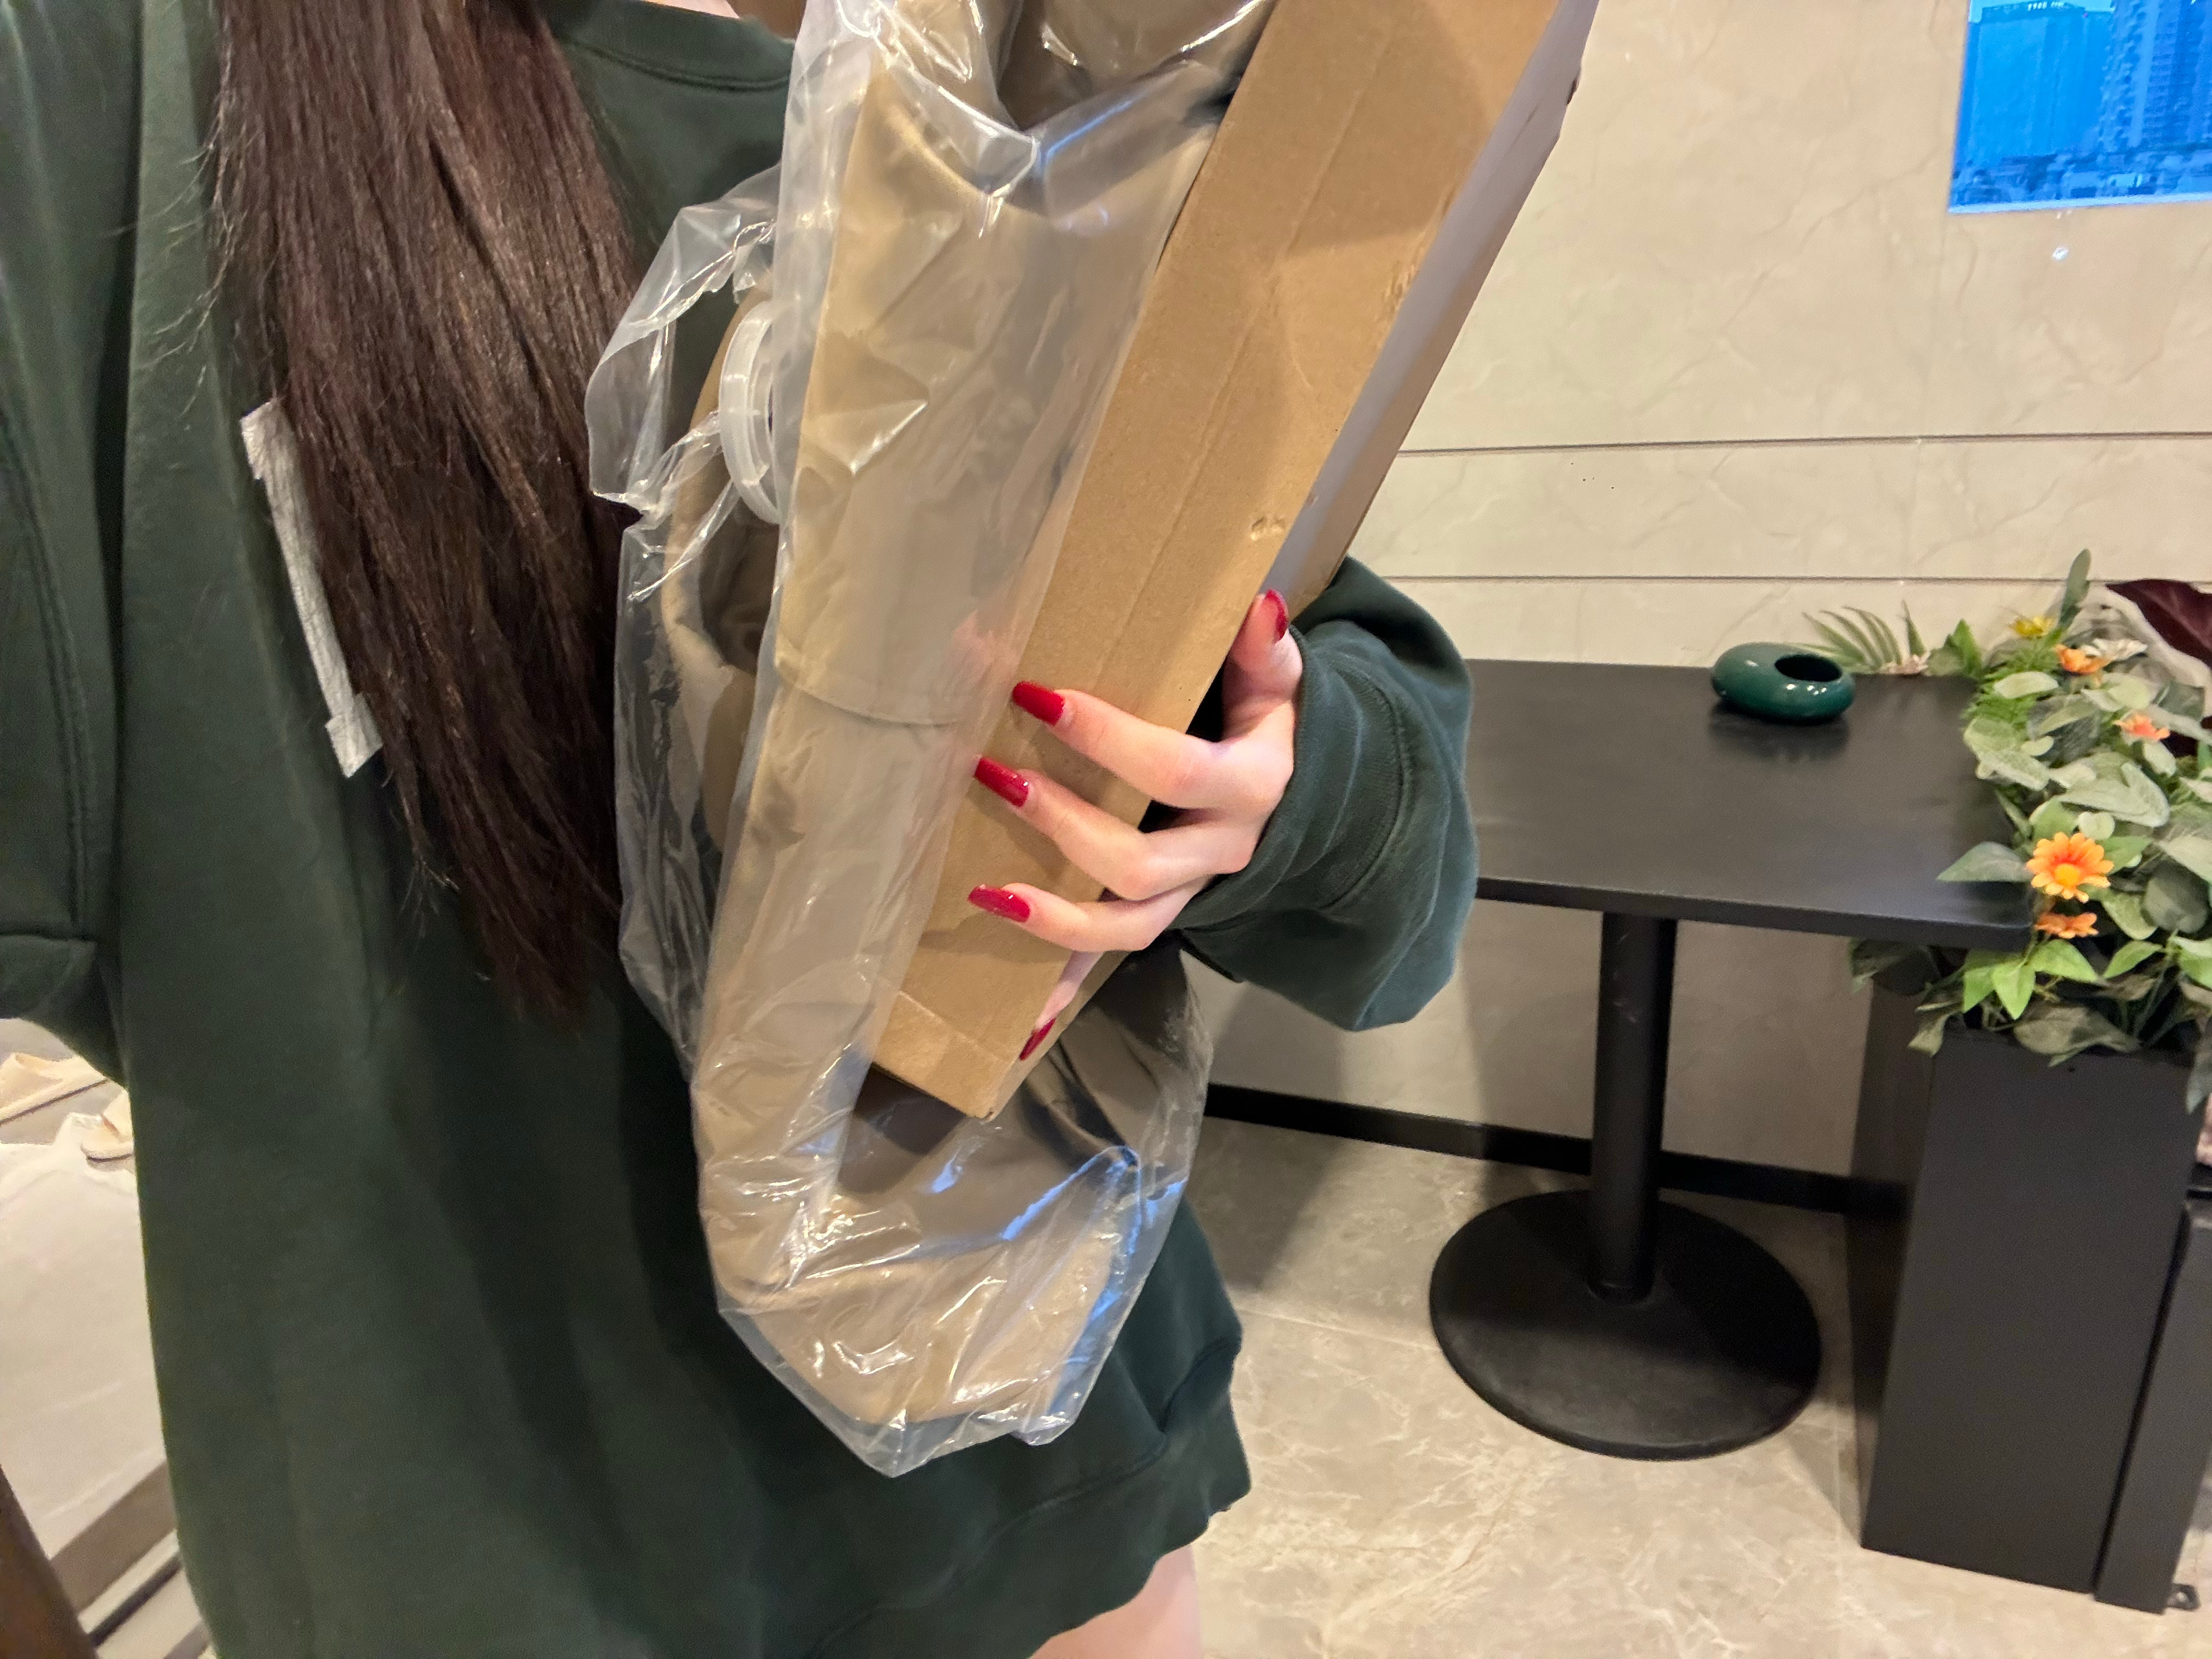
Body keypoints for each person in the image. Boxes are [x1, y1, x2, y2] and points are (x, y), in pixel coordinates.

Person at [0, 1, 1477, 1655]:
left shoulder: (1059, 83)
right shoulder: (114, 106)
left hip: (1055, 1486)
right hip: (528, 1557)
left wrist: (1269, 774)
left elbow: (1395, 868)